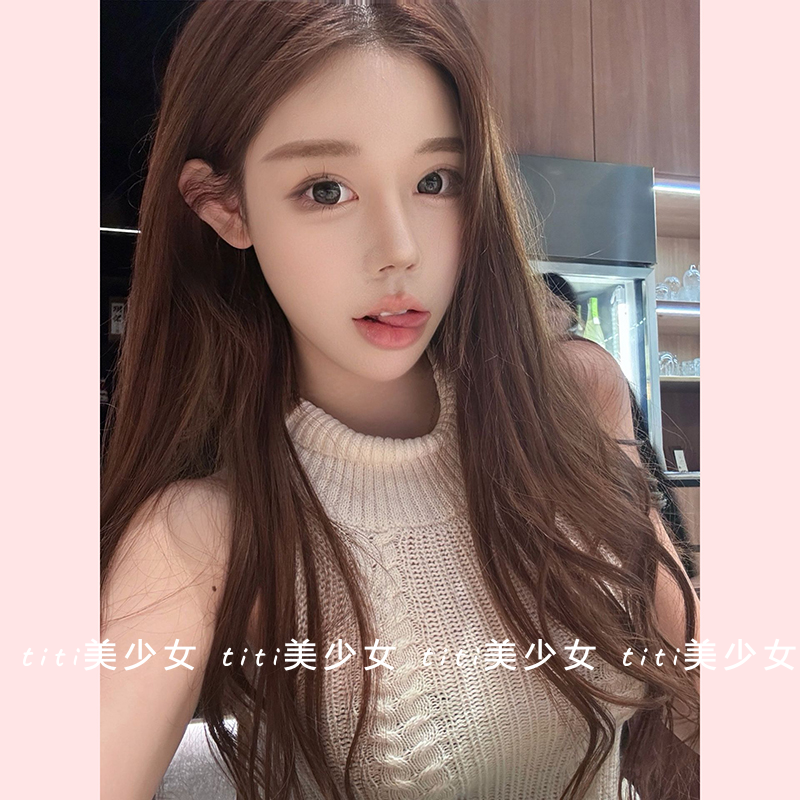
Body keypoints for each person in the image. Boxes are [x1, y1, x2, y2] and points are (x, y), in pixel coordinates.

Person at [100, 3, 700, 800]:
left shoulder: (572, 400)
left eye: (434, 181)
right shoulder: (201, 535)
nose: (400, 250)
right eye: (326, 189)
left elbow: (695, 681)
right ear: (226, 207)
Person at [541, 272, 698, 580]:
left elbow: (637, 449)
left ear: (572, 314)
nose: (546, 314)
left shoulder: (586, 363)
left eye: (554, 306)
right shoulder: (529, 372)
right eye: (539, 305)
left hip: (608, 503)